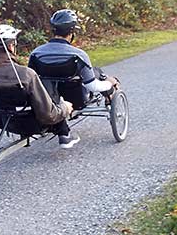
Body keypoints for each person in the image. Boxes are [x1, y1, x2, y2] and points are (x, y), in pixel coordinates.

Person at [0, 24, 74, 144]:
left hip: (3, 123)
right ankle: (64, 133)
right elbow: (48, 115)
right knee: (53, 97)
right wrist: (65, 107)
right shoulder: (26, 75)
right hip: (33, 125)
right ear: (11, 46)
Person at [28, 9, 119, 148]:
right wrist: (109, 83)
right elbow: (92, 86)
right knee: (97, 72)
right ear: (71, 32)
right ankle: (110, 96)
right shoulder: (79, 55)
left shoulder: (36, 53)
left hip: (50, 100)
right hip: (77, 99)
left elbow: (33, 81)